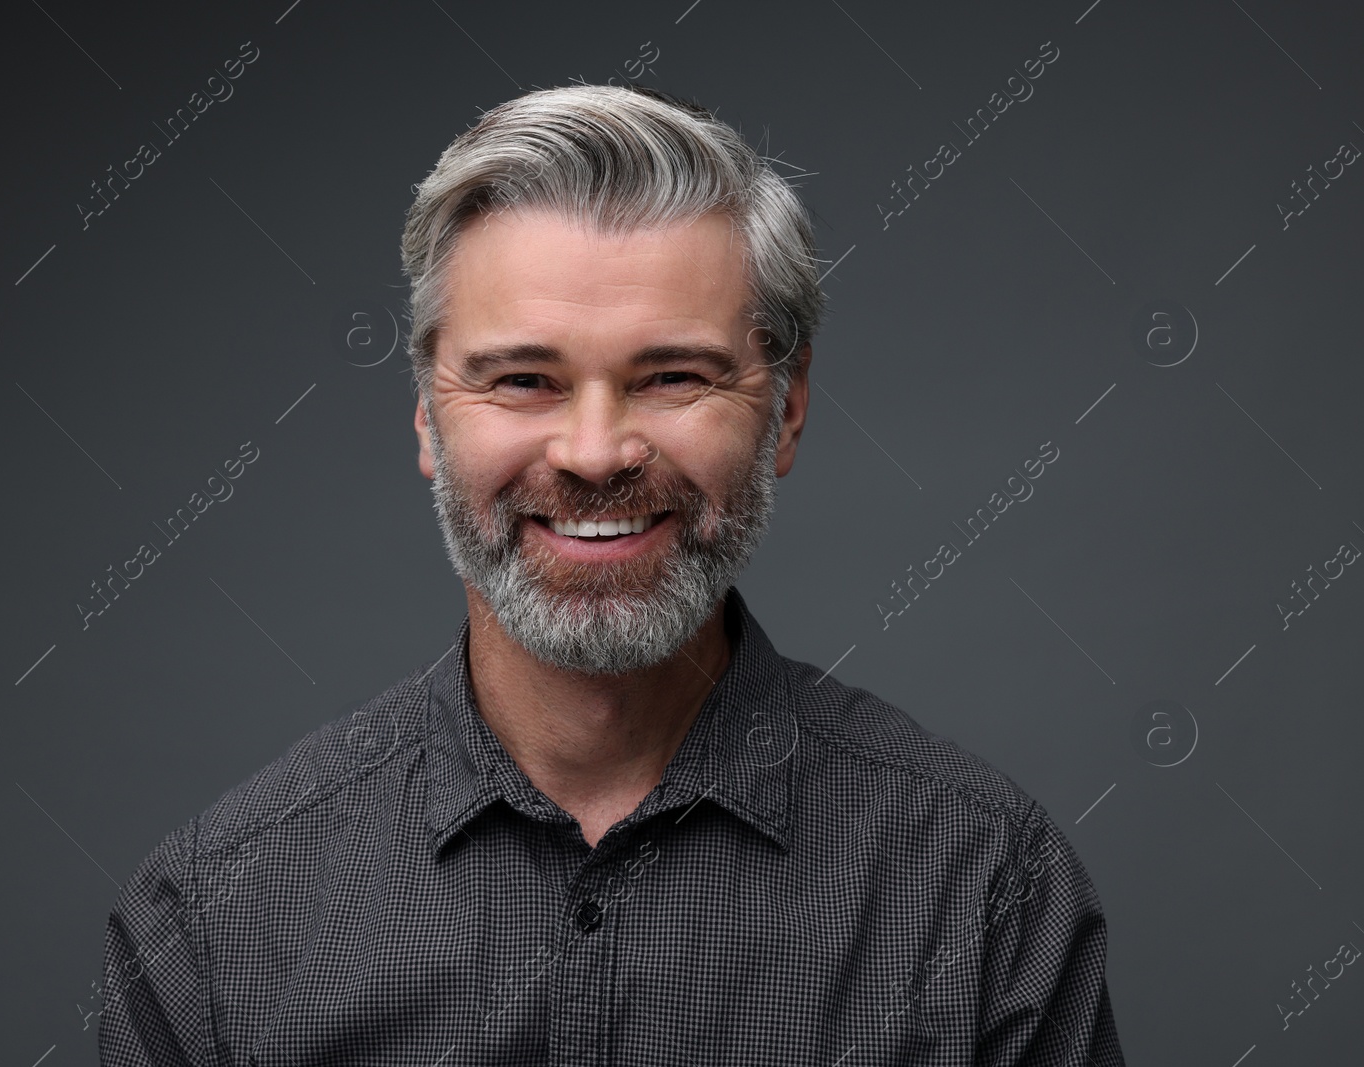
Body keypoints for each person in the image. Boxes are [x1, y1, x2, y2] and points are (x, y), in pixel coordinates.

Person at [101, 83, 1125, 1065]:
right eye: (523, 380)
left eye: (673, 374)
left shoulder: (986, 886)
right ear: (426, 413)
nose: (595, 453)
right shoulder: (216, 919)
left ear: (787, 409)